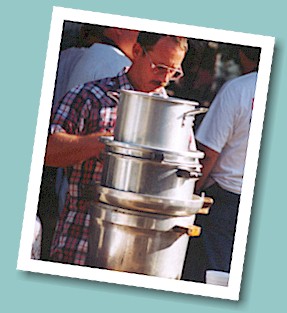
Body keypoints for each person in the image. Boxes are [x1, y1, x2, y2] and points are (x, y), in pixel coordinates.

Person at [44, 32, 188, 265]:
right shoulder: (90, 96)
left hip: (143, 254)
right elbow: (47, 151)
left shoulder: (175, 115)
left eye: (173, 72)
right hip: (82, 240)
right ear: (137, 52)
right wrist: (104, 142)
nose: (164, 79)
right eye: (159, 67)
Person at [37, 25, 139, 261]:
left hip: (70, 189)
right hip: (87, 203)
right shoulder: (112, 63)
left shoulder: (84, 55)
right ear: (116, 28)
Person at [181, 46, 260, 283]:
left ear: (243, 54)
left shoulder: (239, 90)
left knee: (209, 281)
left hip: (223, 207)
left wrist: (188, 200)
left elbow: (208, 153)